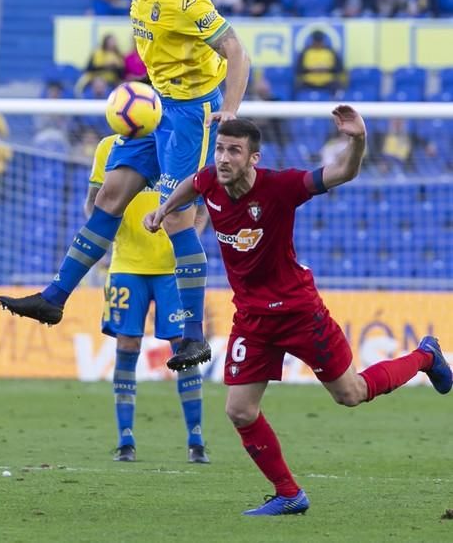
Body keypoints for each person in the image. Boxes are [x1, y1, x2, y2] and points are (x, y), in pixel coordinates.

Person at [144, 114, 452, 516]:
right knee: (239, 410)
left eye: (234, 151)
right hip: (252, 319)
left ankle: (426, 356)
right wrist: (165, 208)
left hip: (298, 312)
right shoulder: (210, 182)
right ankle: (289, 493)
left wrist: (357, 140)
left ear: (254, 158)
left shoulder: (281, 186)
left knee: (351, 394)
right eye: (220, 149)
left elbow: (342, 171)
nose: (223, 158)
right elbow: (192, 184)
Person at [0, 0, 250, 374]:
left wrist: (228, 110)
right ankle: (54, 298)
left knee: (177, 216)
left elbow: (236, 49)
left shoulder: (187, 0)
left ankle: (193, 336)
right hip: (157, 109)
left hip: (194, 116)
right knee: (110, 196)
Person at [86, 134, 209, 464]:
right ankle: (125, 440)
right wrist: (104, 242)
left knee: (184, 348)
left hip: (172, 271)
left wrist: (188, 239)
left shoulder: (180, 143)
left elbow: (201, 206)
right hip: (126, 266)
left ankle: (196, 440)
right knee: (126, 346)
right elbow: (94, 202)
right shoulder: (108, 148)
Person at [295, 30, 345, 94]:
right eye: (316, 41)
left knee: (338, 87)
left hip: (327, 81)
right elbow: (298, 70)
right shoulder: (306, 52)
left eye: (320, 41)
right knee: (297, 87)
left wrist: (327, 69)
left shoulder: (330, 51)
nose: (318, 43)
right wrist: (310, 69)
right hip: (309, 81)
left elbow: (339, 69)